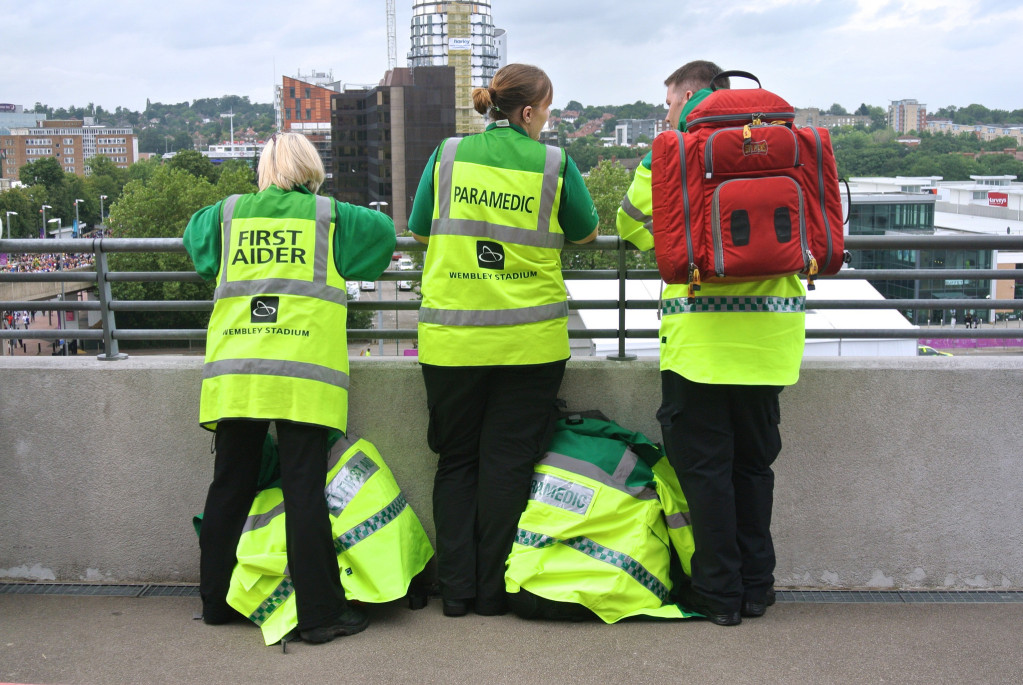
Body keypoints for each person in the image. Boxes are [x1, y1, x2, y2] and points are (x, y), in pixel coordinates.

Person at [183, 131, 396, 643]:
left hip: (237, 373)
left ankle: (215, 601)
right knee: (303, 491)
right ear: (311, 170)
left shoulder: (226, 214)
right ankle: (321, 615)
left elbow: (198, 247)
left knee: (229, 485)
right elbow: (384, 237)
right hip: (303, 377)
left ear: (264, 170)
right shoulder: (331, 218)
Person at [616, 60, 806, 626]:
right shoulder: (784, 142)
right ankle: (757, 587)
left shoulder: (672, 149)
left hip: (697, 345)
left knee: (705, 473)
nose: (669, 112)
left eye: (671, 101)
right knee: (752, 468)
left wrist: (686, 238)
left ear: (693, 97)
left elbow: (629, 222)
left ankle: (719, 596)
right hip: (770, 341)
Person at [408, 63, 598, 617]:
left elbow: (421, 227)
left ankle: (457, 594)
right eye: (548, 110)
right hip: (529, 345)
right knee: (508, 464)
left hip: (452, 341)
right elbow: (585, 231)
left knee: (456, 462)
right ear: (530, 111)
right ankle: (493, 593)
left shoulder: (446, 155)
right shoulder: (554, 163)